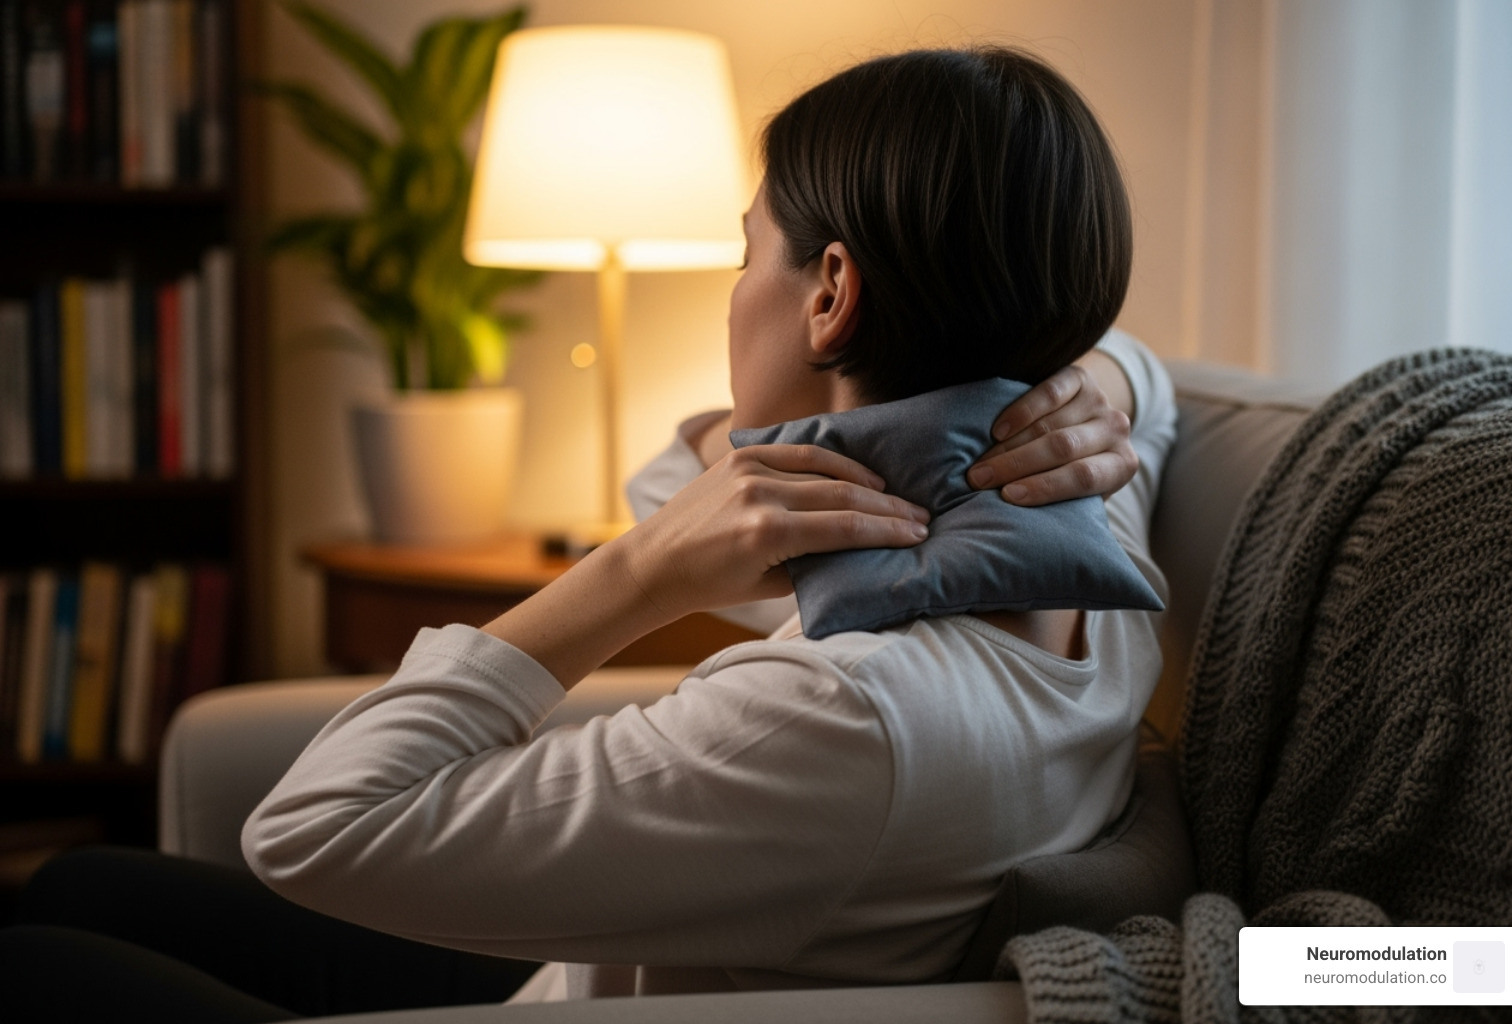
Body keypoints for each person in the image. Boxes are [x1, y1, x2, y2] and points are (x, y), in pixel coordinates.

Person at [2, 44, 1173, 1020]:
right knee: (86, 882)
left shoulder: (846, 712)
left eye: (742, 252)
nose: (732, 288)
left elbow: (313, 827)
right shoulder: (1086, 513)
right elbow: (1143, 380)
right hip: (596, 954)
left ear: (829, 293)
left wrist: (633, 576)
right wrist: (1104, 390)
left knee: (32, 961)